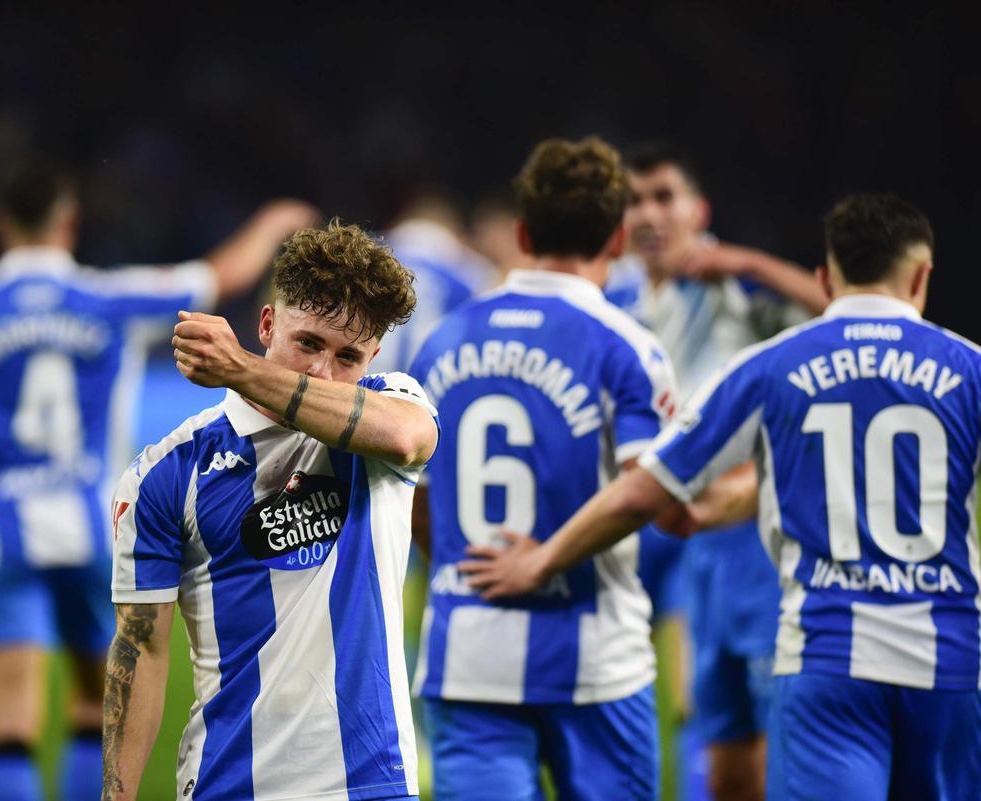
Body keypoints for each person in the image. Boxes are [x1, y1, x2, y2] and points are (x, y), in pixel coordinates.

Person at [462, 193, 981, 801]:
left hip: (828, 660)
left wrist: (541, 560)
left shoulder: (771, 365)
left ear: (825, 278)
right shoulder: (969, 366)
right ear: (920, 276)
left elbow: (644, 493)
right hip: (950, 663)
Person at [0, 157, 317, 801]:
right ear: (70, 221)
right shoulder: (111, 300)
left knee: (9, 727)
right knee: (93, 708)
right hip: (92, 534)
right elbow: (223, 275)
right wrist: (274, 222)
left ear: (1, 224)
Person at [102, 220, 439, 801]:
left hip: (369, 782)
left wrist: (239, 369)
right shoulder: (167, 472)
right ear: (266, 325)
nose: (322, 371)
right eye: (308, 343)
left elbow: (408, 438)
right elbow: (141, 649)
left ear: (374, 358)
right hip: (229, 783)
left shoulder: (392, 406)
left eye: (348, 356)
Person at [406, 137, 677, 801]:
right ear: (618, 238)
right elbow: (647, 493)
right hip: (598, 665)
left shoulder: (441, 342)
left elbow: (415, 497)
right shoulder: (629, 348)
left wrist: (467, 567)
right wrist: (541, 562)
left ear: (523, 234)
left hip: (468, 655)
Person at [603, 142, 827, 801]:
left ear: (697, 210)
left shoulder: (738, 285)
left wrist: (749, 262)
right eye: (634, 201)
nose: (649, 214)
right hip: (670, 522)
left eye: (663, 197)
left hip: (750, 529)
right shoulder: (621, 300)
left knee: (775, 724)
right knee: (710, 725)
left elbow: (843, 310)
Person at [369, 192, 496, 373]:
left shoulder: (367, 254)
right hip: (428, 378)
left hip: (366, 372)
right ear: (455, 231)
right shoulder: (470, 272)